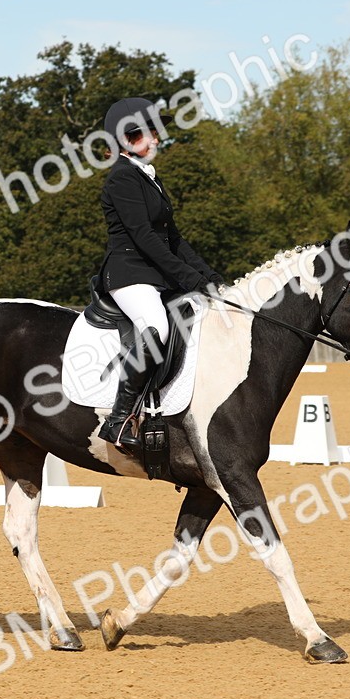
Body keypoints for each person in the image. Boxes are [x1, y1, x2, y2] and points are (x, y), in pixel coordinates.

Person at [96, 97, 223, 452]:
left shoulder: (148, 177)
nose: (156, 139)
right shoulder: (122, 179)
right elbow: (146, 239)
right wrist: (189, 278)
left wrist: (209, 277)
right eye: (148, 133)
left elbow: (174, 239)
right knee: (157, 327)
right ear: (127, 138)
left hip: (153, 274)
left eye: (155, 132)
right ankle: (119, 420)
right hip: (128, 274)